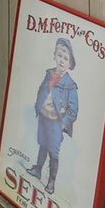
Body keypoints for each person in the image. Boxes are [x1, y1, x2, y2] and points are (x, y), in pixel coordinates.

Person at [28, 37, 80, 194]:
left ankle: (51, 181)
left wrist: (63, 124)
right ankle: (38, 169)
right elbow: (41, 90)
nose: (62, 61)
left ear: (70, 63)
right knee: (42, 143)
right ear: (54, 56)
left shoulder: (70, 86)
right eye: (59, 56)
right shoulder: (49, 75)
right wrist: (38, 106)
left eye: (66, 58)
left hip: (56, 123)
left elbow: (73, 110)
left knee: (53, 151)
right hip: (43, 117)